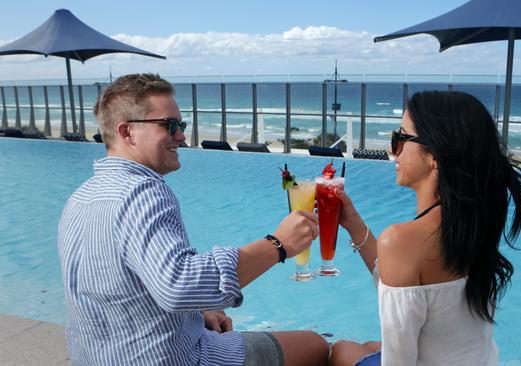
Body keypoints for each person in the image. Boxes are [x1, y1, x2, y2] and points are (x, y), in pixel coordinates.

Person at [57, 73, 329, 366]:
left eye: (181, 125)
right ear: (127, 132)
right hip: (178, 360)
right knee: (316, 346)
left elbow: (120, 290)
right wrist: (278, 245)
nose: (181, 135)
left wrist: (196, 313)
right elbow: (179, 286)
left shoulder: (81, 198)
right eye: (169, 125)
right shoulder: (144, 192)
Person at [328, 91, 521, 366]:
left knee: (340, 351)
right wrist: (352, 223)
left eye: (401, 138)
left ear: (435, 156)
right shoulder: (475, 223)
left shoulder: (400, 240)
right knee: (369, 346)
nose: (392, 149)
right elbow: (406, 281)